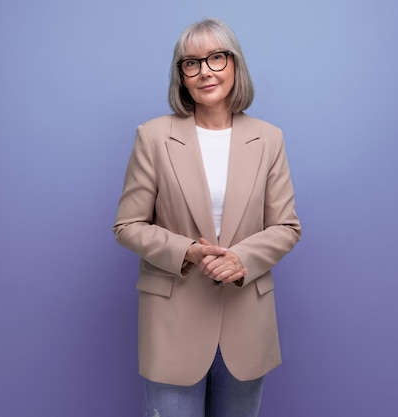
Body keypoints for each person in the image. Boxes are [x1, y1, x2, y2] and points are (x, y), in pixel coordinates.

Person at [113, 17, 301, 417]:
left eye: (217, 58)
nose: (205, 72)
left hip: (247, 320)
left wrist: (241, 259)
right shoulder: (154, 137)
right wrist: (189, 251)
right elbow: (128, 226)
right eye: (191, 63)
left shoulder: (269, 138)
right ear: (181, 75)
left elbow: (286, 226)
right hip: (173, 321)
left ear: (235, 65)